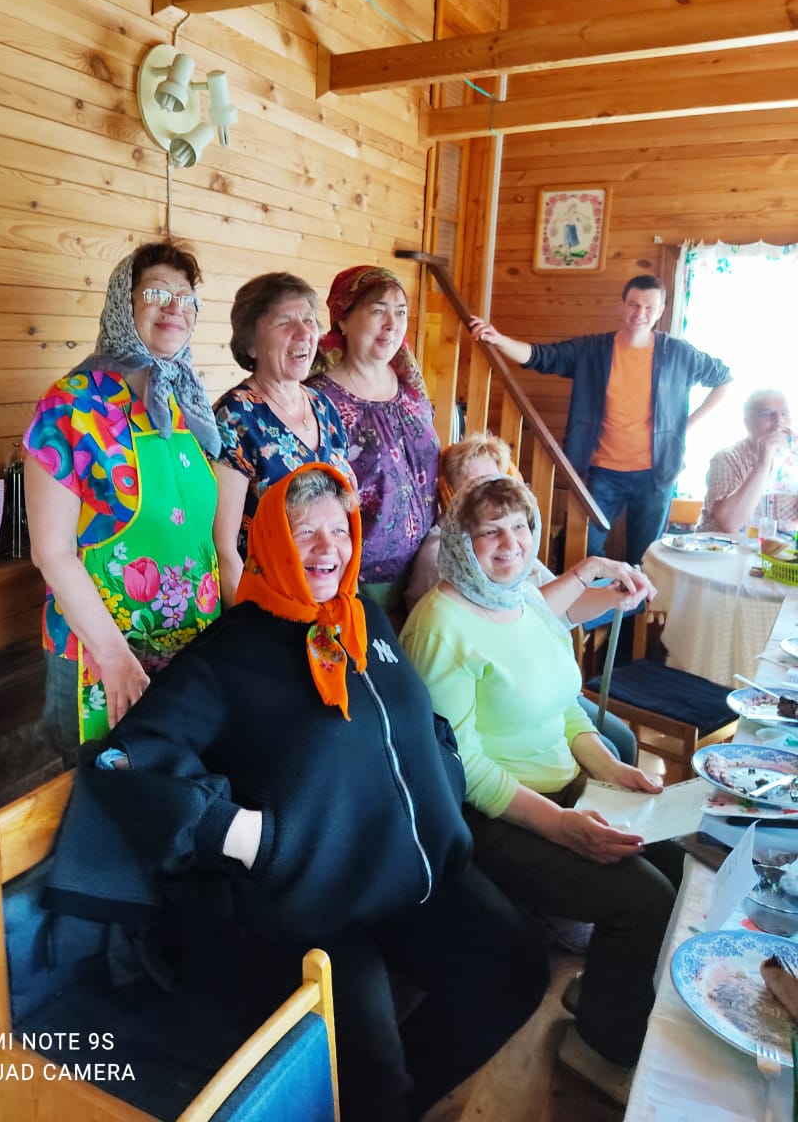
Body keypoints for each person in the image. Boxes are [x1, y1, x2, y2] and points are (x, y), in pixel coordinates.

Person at [44, 464, 549, 1122]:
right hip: (315, 903)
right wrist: (254, 839)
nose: (326, 547)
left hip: (411, 868)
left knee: (516, 971)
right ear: (271, 542)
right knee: (370, 1074)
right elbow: (127, 761)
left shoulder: (363, 618)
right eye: (305, 531)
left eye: (339, 530)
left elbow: (416, 718)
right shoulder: (231, 652)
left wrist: (444, 771)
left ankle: (403, 1106)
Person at [400, 475, 684, 1105]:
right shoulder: (441, 625)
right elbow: (463, 766)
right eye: (490, 531)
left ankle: (607, 993)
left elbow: (566, 707)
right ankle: (601, 1045)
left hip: (564, 786)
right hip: (494, 815)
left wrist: (610, 769)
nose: (511, 543)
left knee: (675, 862)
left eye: (520, 526)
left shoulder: (524, 597)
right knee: (644, 900)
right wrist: (562, 827)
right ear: (460, 541)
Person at [24, 240, 222, 762]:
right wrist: (114, 658)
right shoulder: (71, 403)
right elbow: (51, 551)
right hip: (102, 658)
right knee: (99, 793)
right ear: (121, 304)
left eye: (186, 297)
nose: (174, 307)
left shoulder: (186, 402)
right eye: (156, 292)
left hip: (190, 655)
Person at [405, 431, 656, 765]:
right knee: (613, 747)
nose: (488, 494)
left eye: (496, 481)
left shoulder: (514, 545)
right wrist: (589, 568)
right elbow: (515, 622)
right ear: (451, 492)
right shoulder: (447, 555)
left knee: (622, 743)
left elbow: (558, 610)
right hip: (504, 699)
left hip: (541, 682)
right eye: (474, 486)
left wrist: (611, 597)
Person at [470, 274, 732, 564]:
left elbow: (724, 378)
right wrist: (499, 339)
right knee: (584, 549)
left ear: (660, 311)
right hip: (602, 473)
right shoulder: (593, 350)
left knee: (645, 558)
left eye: (649, 307)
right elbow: (541, 356)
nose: (640, 313)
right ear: (622, 306)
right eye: (633, 305)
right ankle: (591, 595)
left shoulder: (678, 353)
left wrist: (687, 424)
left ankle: (631, 596)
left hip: (657, 475)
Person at [212, 273, 353, 606]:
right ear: (251, 343)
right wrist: (247, 625)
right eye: (285, 322)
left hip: (325, 593)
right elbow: (224, 548)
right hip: (267, 604)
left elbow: (347, 514)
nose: (304, 333)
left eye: (309, 320)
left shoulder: (323, 406)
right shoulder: (235, 416)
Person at [308, 265, 440, 610]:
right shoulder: (320, 400)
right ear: (343, 319)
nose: (392, 323)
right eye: (378, 310)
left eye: (401, 312)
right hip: (360, 582)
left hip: (427, 568)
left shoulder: (411, 388)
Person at [700, 389, 798, 534]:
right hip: (724, 546)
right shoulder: (727, 458)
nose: (779, 421)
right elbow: (730, 523)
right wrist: (764, 462)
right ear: (747, 422)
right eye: (767, 413)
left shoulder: (793, 459)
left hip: (779, 546)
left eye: (785, 413)